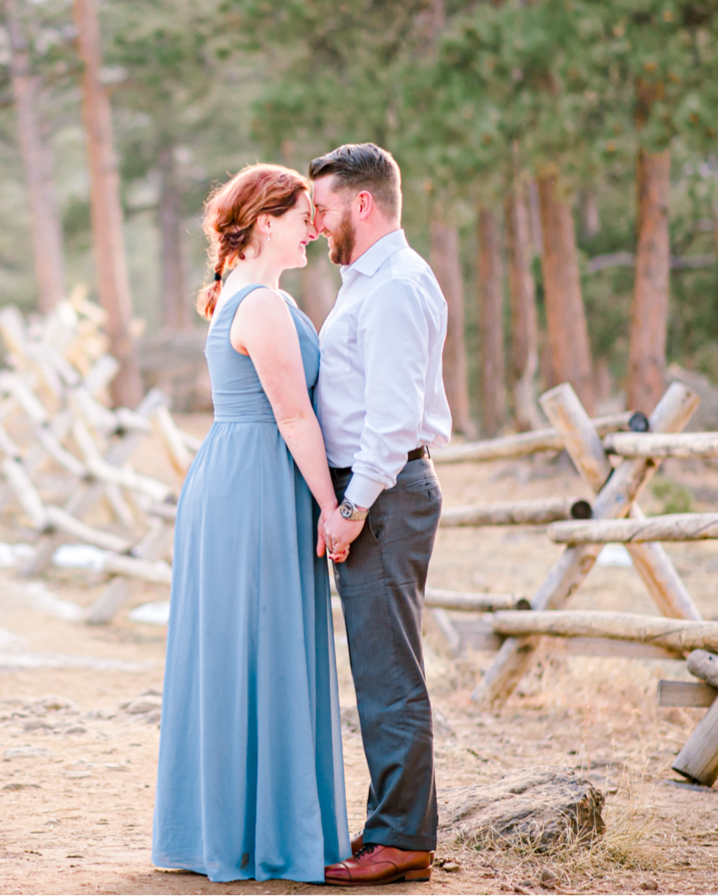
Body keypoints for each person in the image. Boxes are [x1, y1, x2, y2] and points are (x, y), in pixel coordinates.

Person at [152, 163, 350, 883]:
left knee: (243, 650)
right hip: (257, 483)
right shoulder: (261, 307)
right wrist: (334, 507)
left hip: (242, 477)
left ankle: (237, 825)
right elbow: (293, 414)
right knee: (259, 646)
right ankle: (260, 835)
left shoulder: (252, 295)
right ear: (266, 221)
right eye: (303, 214)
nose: (315, 226)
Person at [309, 143, 451, 887]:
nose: (316, 221)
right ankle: (392, 827)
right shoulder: (368, 282)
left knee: (388, 673)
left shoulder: (394, 285)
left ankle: (401, 840)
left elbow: (394, 420)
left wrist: (354, 505)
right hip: (379, 495)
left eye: (324, 206)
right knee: (380, 668)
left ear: (361, 204)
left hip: (386, 497)